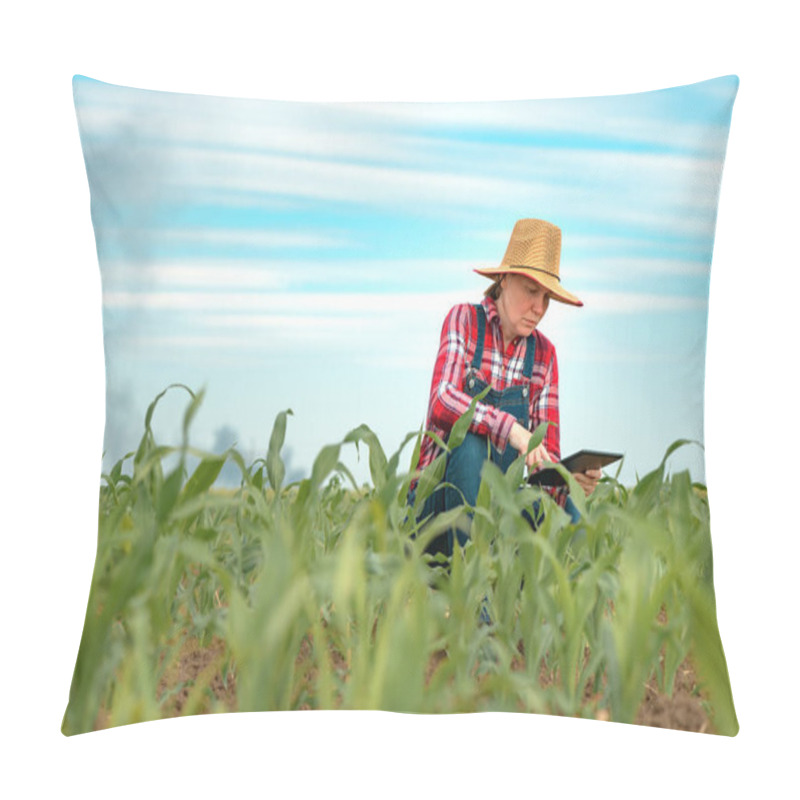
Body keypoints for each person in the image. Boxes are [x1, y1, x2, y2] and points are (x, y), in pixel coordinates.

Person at [408, 218, 601, 557]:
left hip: (501, 514)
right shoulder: (464, 321)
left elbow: (544, 461)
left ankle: (551, 599)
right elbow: (442, 400)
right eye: (531, 292)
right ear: (503, 279)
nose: (539, 308)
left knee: (573, 510)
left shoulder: (544, 355)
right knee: (469, 446)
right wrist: (511, 429)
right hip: (437, 512)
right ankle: (470, 588)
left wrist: (569, 482)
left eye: (546, 297)